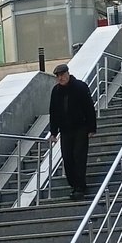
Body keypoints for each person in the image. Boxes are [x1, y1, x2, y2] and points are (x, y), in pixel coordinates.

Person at [48, 61, 97, 198]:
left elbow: (89, 108)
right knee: (67, 158)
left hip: (80, 127)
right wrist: (53, 132)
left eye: (62, 75)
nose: (60, 78)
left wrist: (91, 128)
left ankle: (80, 186)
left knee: (79, 157)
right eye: (58, 76)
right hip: (65, 130)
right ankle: (75, 185)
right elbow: (53, 112)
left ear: (68, 74)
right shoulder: (56, 91)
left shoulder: (80, 87)